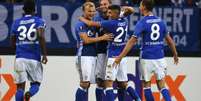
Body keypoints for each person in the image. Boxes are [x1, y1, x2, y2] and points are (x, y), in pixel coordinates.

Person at [113, 0, 179, 101]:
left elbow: (132, 41)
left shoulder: (142, 22)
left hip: (146, 58)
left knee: (146, 86)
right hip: (160, 57)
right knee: (162, 85)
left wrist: (120, 56)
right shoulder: (160, 21)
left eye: (140, 5)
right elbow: (169, 40)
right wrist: (175, 54)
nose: (139, 7)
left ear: (144, 7)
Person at [79, 5, 141, 101]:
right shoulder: (124, 21)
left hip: (113, 57)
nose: (108, 14)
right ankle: (138, 98)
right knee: (124, 83)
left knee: (108, 84)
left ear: (115, 13)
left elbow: (90, 23)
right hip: (122, 57)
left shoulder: (110, 23)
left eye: (110, 12)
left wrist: (81, 18)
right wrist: (123, 8)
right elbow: (131, 10)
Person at [74, 2, 113, 101]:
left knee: (94, 83)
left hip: (92, 56)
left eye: (93, 11)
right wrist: (102, 38)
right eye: (89, 11)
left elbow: (102, 20)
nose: (91, 13)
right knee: (84, 84)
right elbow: (86, 40)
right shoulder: (80, 24)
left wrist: (103, 8)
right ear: (83, 11)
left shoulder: (93, 22)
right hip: (84, 56)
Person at [10, 0, 48, 101]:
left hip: (20, 58)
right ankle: (29, 93)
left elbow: (12, 41)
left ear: (23, 10)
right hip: (34, 58)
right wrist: (44, 54)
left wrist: (17, 52)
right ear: (35, 10)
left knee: (19, 88)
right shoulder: (39, 21)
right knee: (36, 83)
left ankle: (23, 95)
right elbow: (40, 36)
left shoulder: (16, 23)